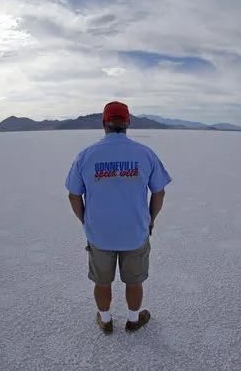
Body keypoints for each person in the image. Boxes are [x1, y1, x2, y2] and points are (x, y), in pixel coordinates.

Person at [65, 101, 172, 334]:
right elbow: (159, 191)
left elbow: (74, 196)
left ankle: (105, 320)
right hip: (135, 232)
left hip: (99, 234)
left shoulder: (86, 155)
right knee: (134, 281)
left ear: (104, 123)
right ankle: (134, 320)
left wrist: (86, 222)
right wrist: (151, 219)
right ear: (127, 123)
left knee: (101, 281)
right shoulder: (145, 153)